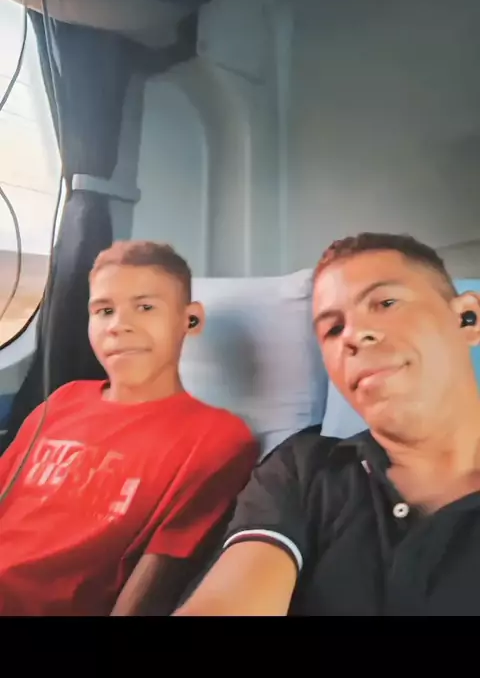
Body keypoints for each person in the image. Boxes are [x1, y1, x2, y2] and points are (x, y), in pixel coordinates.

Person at [174, 232, 480, 616]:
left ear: (467, 318)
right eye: (333, 329)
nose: (353, 336)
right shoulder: (302, 469)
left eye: (385, 303)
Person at [0, 240, 258, 616]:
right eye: (104, 310)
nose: (118, 326)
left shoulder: (218, 438)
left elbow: (158, 576)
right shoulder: (65, 399)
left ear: (190, 320)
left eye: (145, 307)